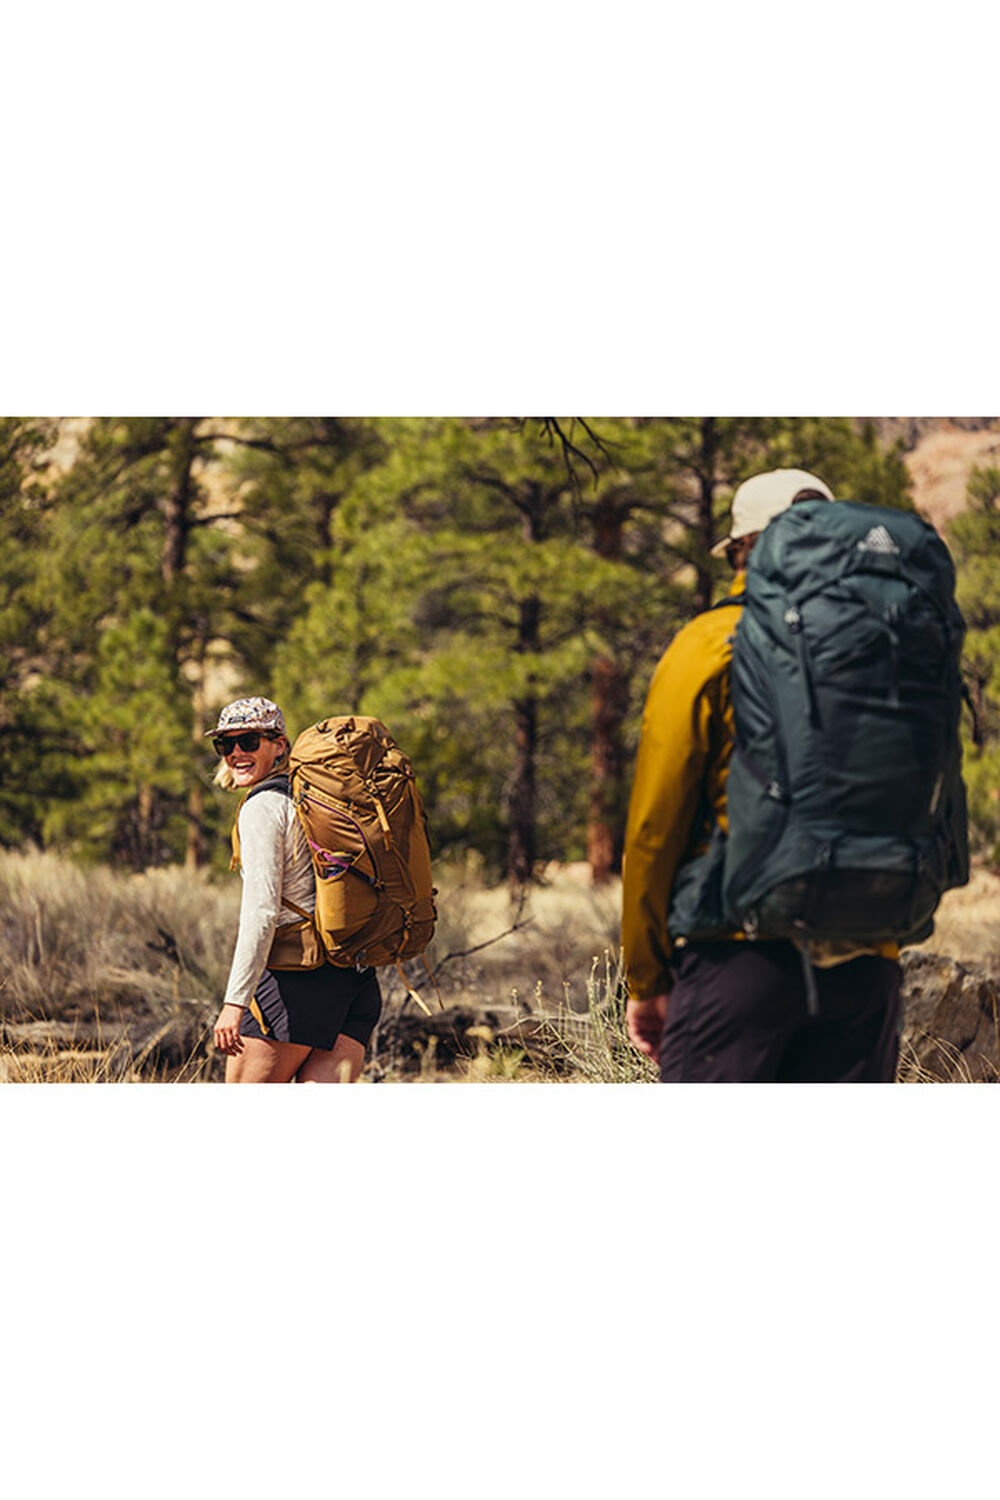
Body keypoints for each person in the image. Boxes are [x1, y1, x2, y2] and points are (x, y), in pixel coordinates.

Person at [621, 469, 902, 1083]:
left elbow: (654, 827)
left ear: (741, 549)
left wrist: (646, 976)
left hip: (739, 959)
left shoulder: (709, 642)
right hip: (868, 970)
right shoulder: (883, 642)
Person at [209, 696, 382, 1083]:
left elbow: (262, 912)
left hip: (296, 980)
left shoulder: (263, 807)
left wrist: (235, 1001)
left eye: (249, 741)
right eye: (225, 744)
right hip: (354, 978)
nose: (235, 753)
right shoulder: (313, 799)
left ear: (279, 746)